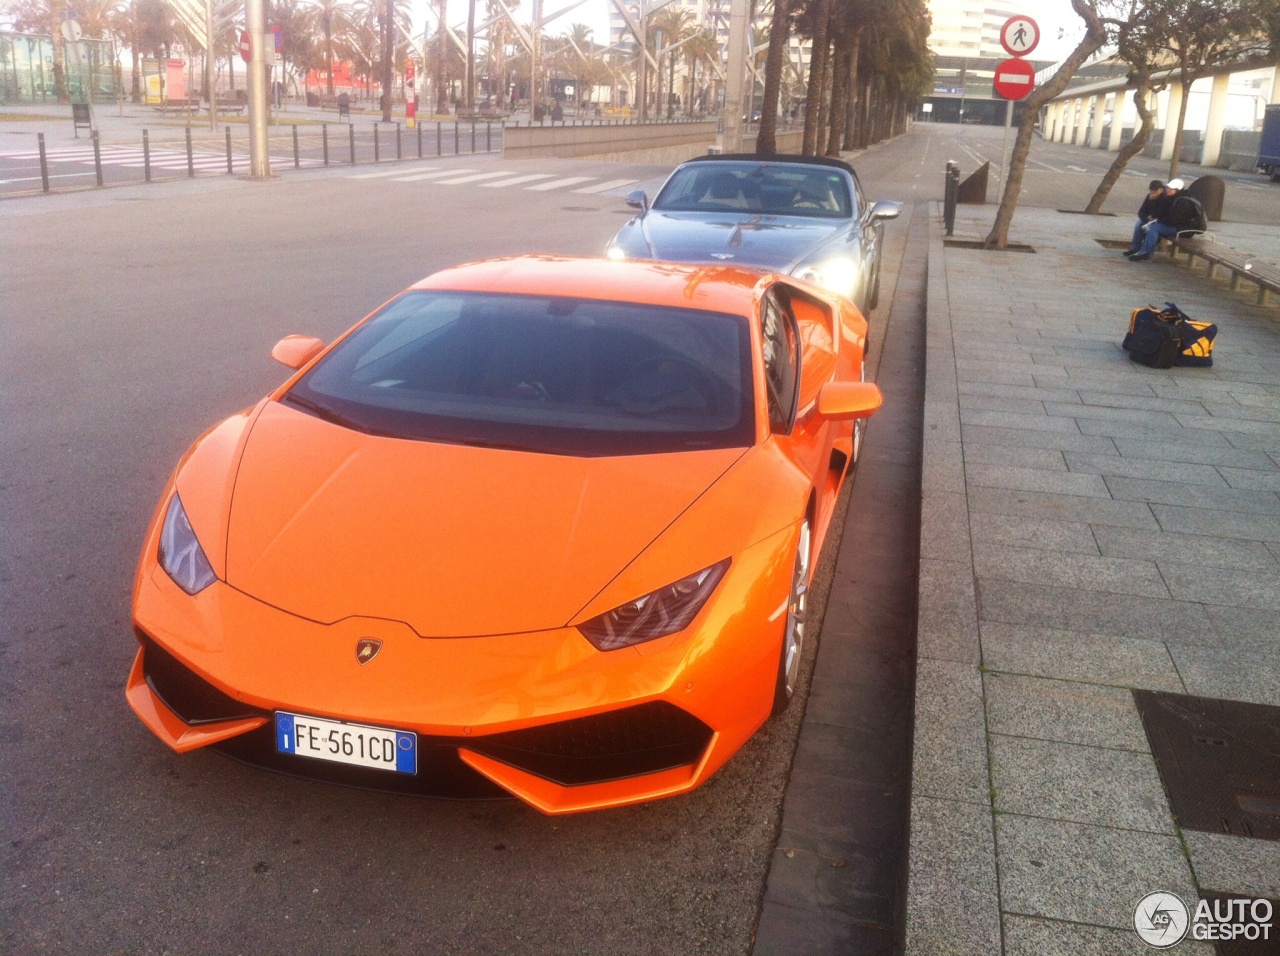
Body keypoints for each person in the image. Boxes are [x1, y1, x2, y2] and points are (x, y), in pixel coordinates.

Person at [1128, 178, 1204, 261]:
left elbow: (1174, 220)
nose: (1168, 190)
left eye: (1171, 189)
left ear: (1177, 190)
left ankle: (1146, 252)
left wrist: (1159, 221)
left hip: (1183, 229)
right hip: (1177, 226)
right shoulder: (1172, 198)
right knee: (1149, 225)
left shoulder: (1182, 202)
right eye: (1168, 188)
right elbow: (1160, 213)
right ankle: (1141, 251)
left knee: (1154, 228)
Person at [1124, 180, 1167, 257]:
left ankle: (1146, 252)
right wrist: (1147, 218)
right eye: (1151, 190)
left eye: (1155, 190)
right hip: (1148, 219)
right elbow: (1141, 212)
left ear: (1161, 190)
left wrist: (1153, 213)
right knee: (1139, 224)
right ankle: (1135, 248)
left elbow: (1161, 213)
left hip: (1159, 221)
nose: (1153, 192)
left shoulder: (1164, 199)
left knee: (1152, 229)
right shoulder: (1149, 196)